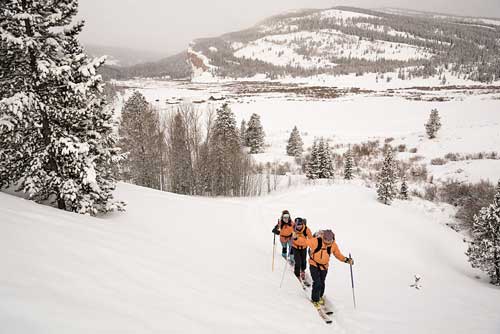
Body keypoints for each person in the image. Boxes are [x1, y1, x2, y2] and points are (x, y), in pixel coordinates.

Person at [305, 229, 354, 308]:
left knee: (322, 282)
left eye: (329, 240)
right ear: (323, 237)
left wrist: (346, 260)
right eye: (326, 239)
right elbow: (305, 242)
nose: (327, 241)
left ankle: (320, 296)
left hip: (324, 266)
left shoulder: (333, 245)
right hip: (313, 264)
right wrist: (296, 238)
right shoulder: (316, 241)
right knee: (317, 282)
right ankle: (315, 299)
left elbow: (338, 254)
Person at [291, 217, 312, 282]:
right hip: (295, 248)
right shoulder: (293, 229)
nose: (299, 226)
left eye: (300, 225)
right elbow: (289, 235)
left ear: (302, 224)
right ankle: (297, 274)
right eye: (297, 225)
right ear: (295, 225)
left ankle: (303, 270)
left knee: (303, 260)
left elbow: (311, 238)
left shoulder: (306, 229)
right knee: (297, 261)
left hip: (304, 247)